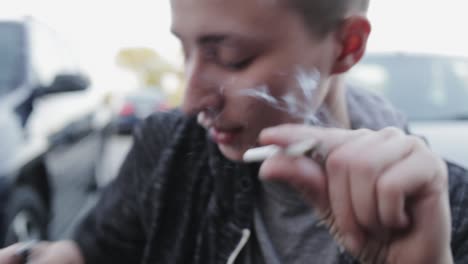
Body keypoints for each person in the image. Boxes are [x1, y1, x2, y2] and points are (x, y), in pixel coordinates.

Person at [2, 0, 468, 263]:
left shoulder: (440, 209)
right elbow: (90, 253)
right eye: (184, 51)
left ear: (346, 47)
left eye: (231, 58)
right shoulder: (170, 148)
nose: (189, 101)